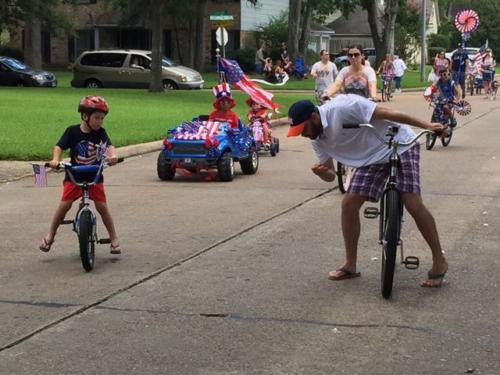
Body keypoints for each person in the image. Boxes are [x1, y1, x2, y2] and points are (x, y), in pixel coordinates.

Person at [286, 98, 448, 288]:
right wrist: (323, 173)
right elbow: (330, 175)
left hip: (399, 144)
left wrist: (427, 125)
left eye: (303, 129)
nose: (302, 135)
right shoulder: (317, 139)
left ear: (314, 117)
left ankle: (439, 261)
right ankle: (350, 264)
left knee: (412, 201)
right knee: (348, 203)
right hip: (369, 159)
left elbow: (387, 113)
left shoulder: (344, 107)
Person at [39, 96, 121, 254]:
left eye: (102, 118)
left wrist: (113, 156)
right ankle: (50, 236)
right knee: (63, 206)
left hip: (94, 176)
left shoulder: (101, 133)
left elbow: (109, 146)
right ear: (85, 116)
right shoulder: (72, 131)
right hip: (74, 176)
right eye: (96, 118)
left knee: (102, 207)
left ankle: (114, 238)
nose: (99, 122)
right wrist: (55, 160)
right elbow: (59, 147)